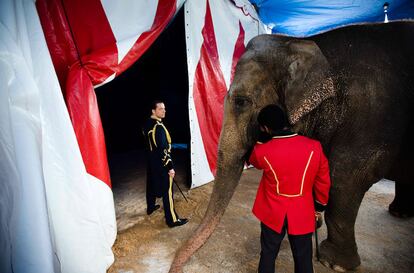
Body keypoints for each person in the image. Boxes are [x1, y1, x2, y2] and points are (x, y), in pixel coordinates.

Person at [248, 105, 331, 273]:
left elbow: (253, 161)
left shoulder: (261, 151)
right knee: (303, 258)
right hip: (302, 212)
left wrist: (260, 139)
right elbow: (323, 181)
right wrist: (319, 206)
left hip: (272, 212)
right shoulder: (314, 147)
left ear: (265, 128)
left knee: (268, 255)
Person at [142, 100, 188, 228]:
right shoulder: (159, 127)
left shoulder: (146, 124)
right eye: (161, 109)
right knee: (167, 192)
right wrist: (170, 167)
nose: (164, 111)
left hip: (151, 161)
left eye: (164, 109)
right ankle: (172, 220)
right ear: (153, 111)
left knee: (150, 184)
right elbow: (163, 150)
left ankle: (150, 207)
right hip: (161, 163)